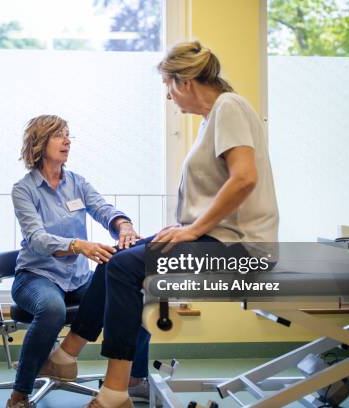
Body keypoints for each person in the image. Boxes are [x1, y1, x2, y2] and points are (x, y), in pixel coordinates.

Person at [42, 40, 280, 408]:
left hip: (239, 248)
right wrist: (189, 228)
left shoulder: (228, 107)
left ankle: (111, 389)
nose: (169, 98)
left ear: (184, 82)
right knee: (118, 256)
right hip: (217, 239)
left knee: (123, 266)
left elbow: (244, 178)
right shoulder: (214, 118)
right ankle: (71, 356)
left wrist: (193, 229)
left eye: (168, 87)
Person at [7, 115, 152, 408]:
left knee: (132, 300)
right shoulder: (24, 190)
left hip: (77, 279)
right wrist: (77, 246)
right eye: (59, 135)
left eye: (68, 135)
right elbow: (36, 238)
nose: (67, 141)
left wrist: (123, 225)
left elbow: (103, 209)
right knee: (51, 309)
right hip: (36, 276)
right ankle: (20, 393)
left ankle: (135, 381)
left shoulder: (77, 183)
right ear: (39, 143)